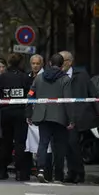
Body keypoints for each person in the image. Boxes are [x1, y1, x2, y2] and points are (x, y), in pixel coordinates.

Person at [27, 53, 75, 183]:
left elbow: (30, 95)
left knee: (43, 143)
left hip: (42, 115)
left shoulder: (39, 78)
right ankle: (58, 175)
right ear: (61, 65)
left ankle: (41, 169)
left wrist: (29, 114)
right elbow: (68, 100)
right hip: (60, 117)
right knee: (59, 146)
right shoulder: (65, 79)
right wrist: (71, 119)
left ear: (49, 63)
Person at [61, 51, 99, 183]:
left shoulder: (81, 74)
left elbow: (92, 91)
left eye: (62, 61)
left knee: (73, 143)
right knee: (68, 145)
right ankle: (72, 172)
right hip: (63, 114)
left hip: (79, 114)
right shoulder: (57, 75)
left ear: (69, 62)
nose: (60, 63)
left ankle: (78, 172)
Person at [0, 52, 31, 181]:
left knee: (5, 142)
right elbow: (30, 95)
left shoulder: (2, 78)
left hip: (5, 113)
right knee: (20, 143)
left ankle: (1, 171)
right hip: (20, 113)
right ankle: (21, 172)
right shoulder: (25, 78)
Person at [25, 54, 47, 177]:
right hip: (31, 115)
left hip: (42, 114)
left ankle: (44, 169)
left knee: (43, 143)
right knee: (31, 145)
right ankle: (33, 168)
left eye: (37, 63)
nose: (35, 66)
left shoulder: (44, 77)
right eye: (33, 63)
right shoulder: (28, 76)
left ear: (42, 64)